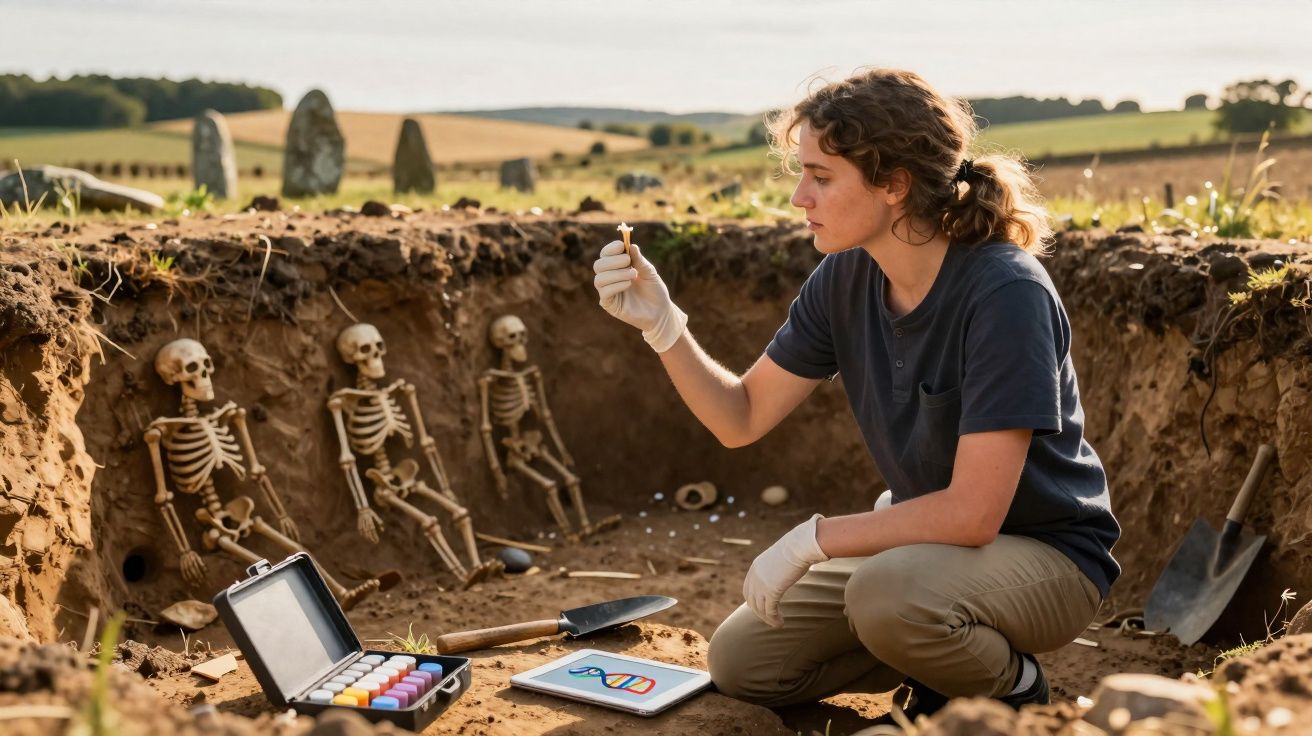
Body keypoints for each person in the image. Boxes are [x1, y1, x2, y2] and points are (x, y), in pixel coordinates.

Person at [590, 67, 1119, 718]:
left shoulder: (1006, 293)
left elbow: (975, 514)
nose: (798, 198)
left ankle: (1011, 688)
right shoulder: (843, 279)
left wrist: (812, 540)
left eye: (821, 176)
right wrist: (663, 326)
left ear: (894, 184)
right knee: (742, 662)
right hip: (925, 557)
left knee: (887, 594)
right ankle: (935, 659)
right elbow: (742, 415)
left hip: (1048, 559)